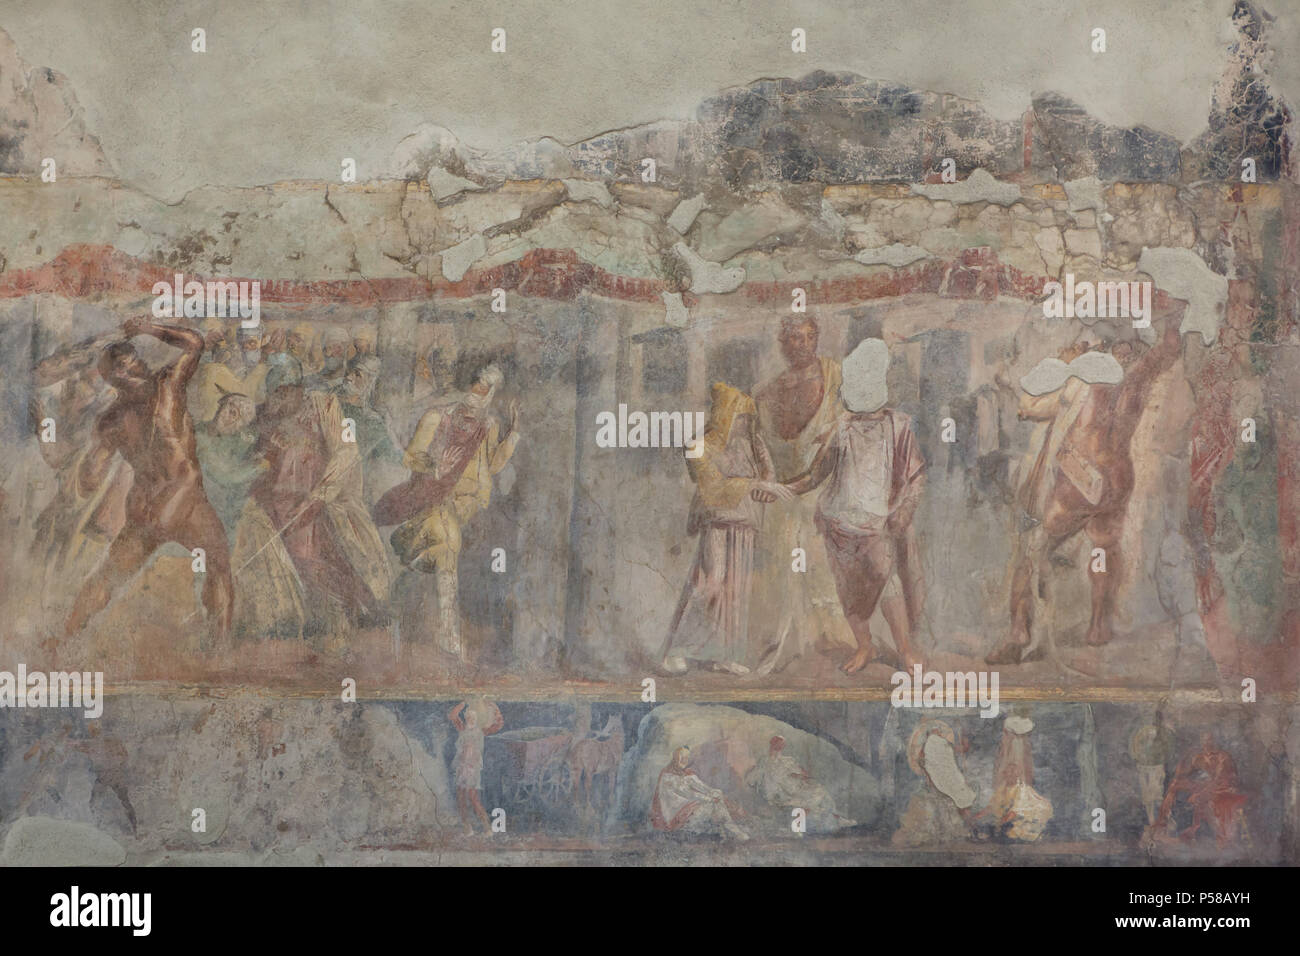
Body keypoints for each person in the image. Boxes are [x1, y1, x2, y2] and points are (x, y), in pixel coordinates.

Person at [988, 317, 1183, 664]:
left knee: (1033, 548)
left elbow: (1029, 408)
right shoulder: (1138, 378)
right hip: (1118, 479)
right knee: (1104, 545)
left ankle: (1019, 632)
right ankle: (1097, 626)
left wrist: (1062, 365)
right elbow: (1167, 350)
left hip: (1081, 478)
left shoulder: (1082, 381)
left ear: (1106, 347)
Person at [64, 318, 233, 642]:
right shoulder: (167, 385)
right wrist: (146, 328)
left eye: (131, 365)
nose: (133, 371)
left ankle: (65, 638)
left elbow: (89, 480)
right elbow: (195, 343)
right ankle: (220, 652)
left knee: (109, 574)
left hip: (143, 505)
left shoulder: (109, 420)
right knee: (219, 561)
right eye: (127, 368)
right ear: (123, 373)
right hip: (181, 497)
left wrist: (86, 467)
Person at [784, 338, 926, 673]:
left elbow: (917, 476)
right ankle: (866, 646)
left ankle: (905, 650)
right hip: (839, 523)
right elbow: (817, 475)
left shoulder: (899, 426)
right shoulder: (841, 429)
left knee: (886, 582)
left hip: (878, 524)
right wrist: (785, 488)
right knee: (849, 592)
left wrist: (904, 510)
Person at [374, 364, 520, 660]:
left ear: (492, 393)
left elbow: (490, 467)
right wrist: (434, 466)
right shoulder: (436, 417)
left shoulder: (488, 426)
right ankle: (448, 633)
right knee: (449, 549)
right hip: (438, 495)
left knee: (445, 551)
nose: (479, 391)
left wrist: (513, 435)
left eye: (486, 387)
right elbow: (411, 458)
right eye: (477, 383)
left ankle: (411, 562)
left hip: (472, 504)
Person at [661, 383, 790, 676]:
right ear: (724, 415)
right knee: (712, 582)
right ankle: (678, 649)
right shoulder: (701, 447)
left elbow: (767, 475)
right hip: (717, 522)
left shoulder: (750, 444)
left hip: (745, 524)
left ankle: (725, 655)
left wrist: (765, 476)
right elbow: (714, 487)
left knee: (736, 592)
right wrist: (756, 484)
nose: (744, 424)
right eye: (739, 417)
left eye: (747, 418)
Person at [753, 315, 855, 673]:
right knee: (783, 562)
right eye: (793, 339)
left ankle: (828, 639)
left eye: (807, 337)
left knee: (822, 562)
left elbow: (854, 421)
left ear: (817, 339)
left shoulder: (837, 378)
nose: (801, 345)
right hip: (784, 490)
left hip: (825, 488)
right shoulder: (768, 391)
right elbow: (761, 441)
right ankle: (788, 640)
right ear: (782, 344)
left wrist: (833, 432)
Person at [1155, 732, 1249, 848]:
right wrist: (1182, 765)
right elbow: (1187, 774)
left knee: (1200, 799)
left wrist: (1200, 794)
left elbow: (1219, 781)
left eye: (1209, 740)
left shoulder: (1223, 757)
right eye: (1204, 740)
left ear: (1215, 741)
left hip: (1223, 788)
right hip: (1206, 785)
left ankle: (1194, 833)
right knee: (1175, 785)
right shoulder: (1199, 757)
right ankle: (1162, 823)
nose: (1206, 743)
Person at [745, 735, 855, 831]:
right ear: (773, 743)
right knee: (813, 798)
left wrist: (801, 776)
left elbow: (799, 774)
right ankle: (834, 820)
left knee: (820, 792)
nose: (781, 746)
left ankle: (838, 819)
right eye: (779, 743)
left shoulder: (786, 760)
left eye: (782, 744)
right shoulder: (765, 761)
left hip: (792, 789)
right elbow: (752, 779)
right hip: (781, 794)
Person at [194, 390, 262, 539]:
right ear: (221, 405)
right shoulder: (200, 435)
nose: (233, 420)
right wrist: (258, 466)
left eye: (241, 421)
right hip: (201, 508)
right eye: (232, 412)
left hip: (221, 512)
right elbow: (225, 475)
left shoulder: (234, 441)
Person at [650, 746, 749, 840]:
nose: (685, 760)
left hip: (689, 808)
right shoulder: (668, 776)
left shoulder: (686, 773)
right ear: (676, 758)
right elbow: (688, 793)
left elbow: (701, 786)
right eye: (682, 757)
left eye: (687, 757)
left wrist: (714, 792)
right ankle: (732, 831)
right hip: (677, 816)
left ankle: (729, 830)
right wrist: (710, 799)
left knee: (716, 798)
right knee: (714, 805)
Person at [448, 699, 504, 835]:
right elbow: (452, 716)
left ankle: (487, 827)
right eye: (468, 716)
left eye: (473, 717)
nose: (470, 719)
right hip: (462, 768)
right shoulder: (462, 728)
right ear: (466, 717)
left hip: (472, 769)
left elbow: (499, 725)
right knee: (461, 797)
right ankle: (467, 827)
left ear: (476, 719)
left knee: (473, 798)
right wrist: (463, 703)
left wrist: (495, 709)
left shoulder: (481, 731)